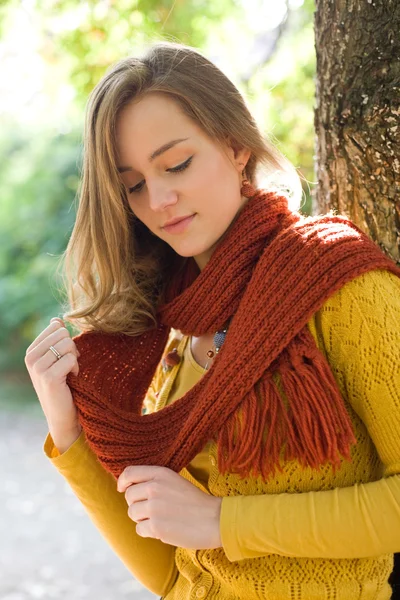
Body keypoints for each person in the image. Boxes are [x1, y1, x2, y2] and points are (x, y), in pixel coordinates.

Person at [25, 41, 400, 600]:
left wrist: (222, 522)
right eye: (133, 185)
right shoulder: (165, 335)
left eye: (176, 164)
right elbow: (175, 575)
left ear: (235, 145)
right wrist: (68, 430)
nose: (160, 199)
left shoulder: (336, 282)